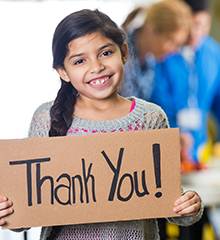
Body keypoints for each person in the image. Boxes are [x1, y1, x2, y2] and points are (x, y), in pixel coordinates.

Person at [0, 9, 203, 240]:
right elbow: (28, 208)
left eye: (105, 53)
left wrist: (189, 207)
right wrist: (8, 212)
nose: (96, 67)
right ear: (63, 72)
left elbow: (169, 201)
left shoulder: (151, 118)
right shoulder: (45, 118)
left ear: (124, 52)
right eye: (79, 61)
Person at [151, 0, 220, 239]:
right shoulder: (163, 52)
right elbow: (154, 99)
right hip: (162, 149)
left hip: (198, 151)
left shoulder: (214, 53)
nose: (194, 34)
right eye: (189, 27)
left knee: (197, 218)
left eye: (200, 26)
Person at [120, 0, 192, 101]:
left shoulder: (150, 61)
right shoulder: (118, 52)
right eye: (171, 41)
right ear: (152, 29)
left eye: (178, 45)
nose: (174, 51)